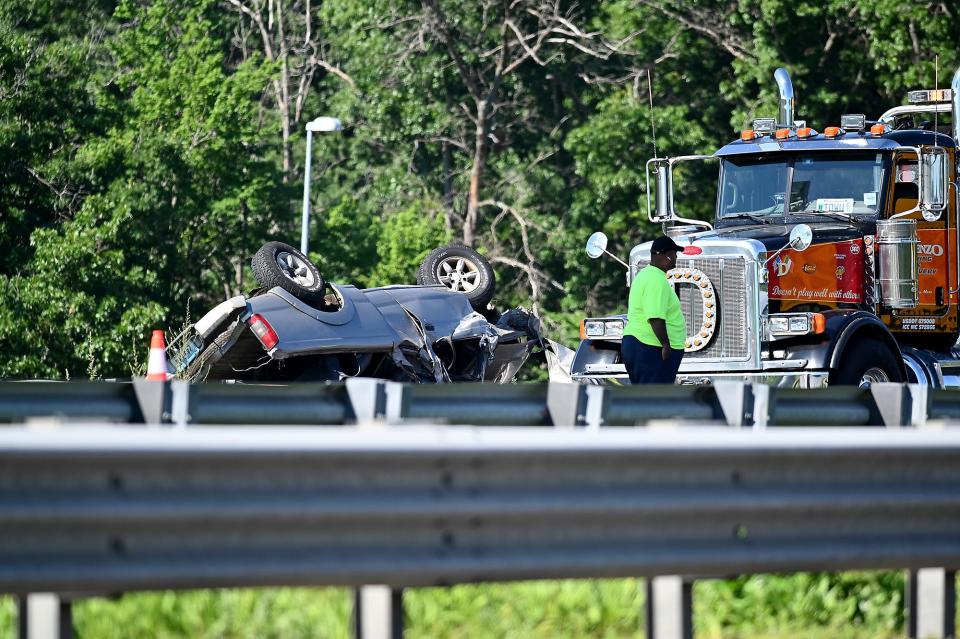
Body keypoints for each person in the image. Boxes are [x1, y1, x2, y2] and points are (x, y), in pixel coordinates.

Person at [621, 235, 687, 384]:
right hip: (650, 347)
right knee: (653, 401)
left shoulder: (645, 274)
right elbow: (655, 317)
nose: (676, 257)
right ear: (667, 256)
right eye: (674, 253)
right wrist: (665, 345)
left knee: (646, 400)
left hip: (640, 346)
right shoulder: (656, 280)